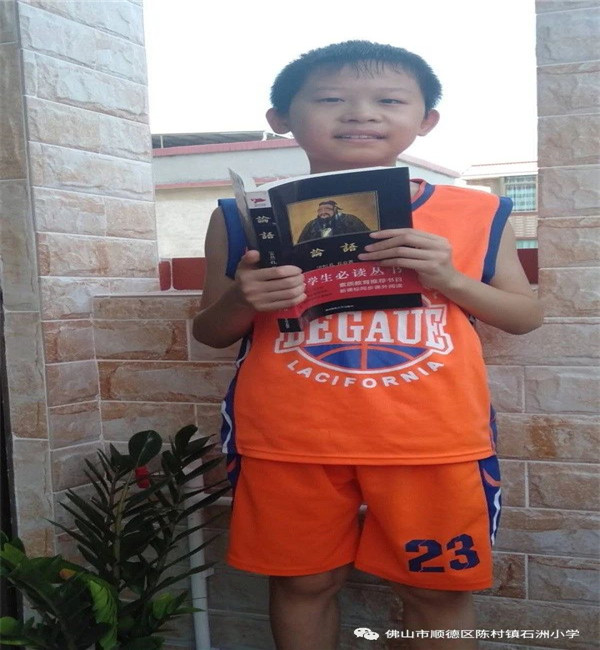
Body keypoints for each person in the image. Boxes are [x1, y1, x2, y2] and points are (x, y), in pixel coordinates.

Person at [193, 40, 543, 650]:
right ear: (281, 118)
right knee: (302, 583)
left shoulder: (478, 212)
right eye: (330, 99)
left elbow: (525, 316)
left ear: (426, 120)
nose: (361, 113)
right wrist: (246, 299)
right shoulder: (241, 216)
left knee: (436, 592)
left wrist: (450, 278)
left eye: (389, 100)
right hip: (287, 438)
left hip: (432, 439)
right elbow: (210, 331)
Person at [297, 200, 369, 243]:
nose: (323, 212)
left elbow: (366, 237)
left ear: (335, 210)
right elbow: (301, 244)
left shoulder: (350, 219)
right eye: (320, 210)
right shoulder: (311, 224)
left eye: (327, 209)